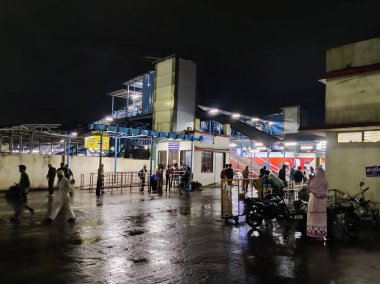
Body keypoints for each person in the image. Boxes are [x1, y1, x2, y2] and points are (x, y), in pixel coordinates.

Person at [307, 167, 328, 240]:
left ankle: (314, 234)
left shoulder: (314, 180)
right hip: (322, 201)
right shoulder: (325, 180)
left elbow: (309, 188)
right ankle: (321, 235)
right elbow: (326, 191)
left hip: (314, 201)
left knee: (314, 216)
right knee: (321, 216)